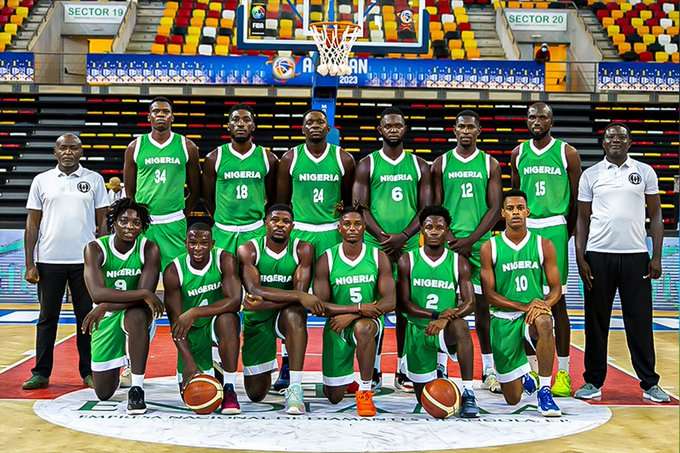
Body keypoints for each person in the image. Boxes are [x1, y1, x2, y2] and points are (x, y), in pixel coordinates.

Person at [574, 123, 670, 403]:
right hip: (598, 255)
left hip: (636, 257)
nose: (615, 140)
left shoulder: (645, 172)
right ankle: (593, 382)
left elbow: (656, 216)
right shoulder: (591, 175)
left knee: (640, 321)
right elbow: (582, 219)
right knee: (595, 322)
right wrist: (580, 257)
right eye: (610, 137)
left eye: (621, 137)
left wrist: (656, 256)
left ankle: (650, 383)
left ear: (630, 143)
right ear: (603, 143)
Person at [352, 106, 431, 392]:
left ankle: (403, 368)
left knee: (406, 308)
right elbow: (360, 208)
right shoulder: (367, 164)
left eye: (398, 125)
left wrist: (404, 236)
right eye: (388, 125)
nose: (393, 129)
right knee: (374, 308)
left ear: (405, 129)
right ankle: (372, 369)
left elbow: (425, 209)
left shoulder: (419, 165)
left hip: (408, 245)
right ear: (380, 130)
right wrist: (385, 238)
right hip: (376, 245)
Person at [23, 133, 109, 390]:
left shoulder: (94, 179)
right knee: (47, 318)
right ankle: (41, 373)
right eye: (63, 148)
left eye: (73, 148)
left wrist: (104, 257)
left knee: (86, 318)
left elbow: (103, 221)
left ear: (81, 152)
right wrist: (30, 263)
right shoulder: (42, 180)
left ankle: (89, 371)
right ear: (55, 152)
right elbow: (32, 223)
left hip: (85, 262)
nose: (68, 152)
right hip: (49, 260)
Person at [510, 102, 582, 397]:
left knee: (557, 303)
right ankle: (530, 370)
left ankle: (562, 373)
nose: (536, 121)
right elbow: (515, 197)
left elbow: (577, 199)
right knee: (526, 300)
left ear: (551, 121)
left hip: (554, 226)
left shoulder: (567, 152)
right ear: (526, 120)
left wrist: (567, 231)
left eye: (542, 117)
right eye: (532, 117)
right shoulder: (518, 153)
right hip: (526, 229)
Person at [432, 109, 503, 393]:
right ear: (454, 130)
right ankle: (440, 366)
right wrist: (450, 239)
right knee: (445, 305)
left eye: (471, 127)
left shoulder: (489, 163)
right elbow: (436, 207)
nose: (465, 131)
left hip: (480, 244)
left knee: (483, 307)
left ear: (478, 131)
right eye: (461, 126)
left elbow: (495, 208)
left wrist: (471, 240)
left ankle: (489, 369)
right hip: (448, 244)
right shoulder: (441, 163)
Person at [480, 189, 563, 417]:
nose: (515, 212)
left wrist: (543, 305)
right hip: (503, 319)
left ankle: (544, 390)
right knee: (513, 398)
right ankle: (525, 374)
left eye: (519, 208)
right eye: (510, 208)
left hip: (531, 317)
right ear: (503, 214)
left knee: (545, 322)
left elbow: (556, 289)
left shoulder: (543, 244)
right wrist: (524, 306)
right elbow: (490, 295)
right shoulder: (490, 247)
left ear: (527, 212)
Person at [237, 204, 323, 414]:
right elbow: (254, 289)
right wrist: (298, 296)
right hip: (258, 319)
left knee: (295, 315)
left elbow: (297, 296)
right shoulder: (248, 250)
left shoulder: (303, 249)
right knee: (256, 394)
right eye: (275, 220)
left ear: (292, 226)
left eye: (285, 221)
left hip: (284, 315)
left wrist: (266, 302)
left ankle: (295, 387)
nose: (280, 225)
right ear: (265, 223)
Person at [81, 198, 163, 414]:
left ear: (142, 227)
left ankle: (137, 388)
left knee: (136, 316)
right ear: (114, 222)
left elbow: (143, 300)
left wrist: (105, 304)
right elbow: (97, 293)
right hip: (106, 316)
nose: (129, 226)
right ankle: (120, 359)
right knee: (103, 392)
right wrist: (143, 293)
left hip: (135, 312)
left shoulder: (149, 248)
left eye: (136, 223)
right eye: (124, 221)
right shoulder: (95, 249)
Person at [397, 206, 479, 418]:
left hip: (445, 329)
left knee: (461, 326)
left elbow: (470, 303)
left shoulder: (458, 262)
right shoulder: (408, 260)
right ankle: (434, 371)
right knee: (426, 399)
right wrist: (435, 316)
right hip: (419, 331)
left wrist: (446, 319)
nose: (434, 231)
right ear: (421, 230)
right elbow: (404, 304)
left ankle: (468, 391)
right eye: (429, 227)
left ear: (447, 230)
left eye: (439, 227)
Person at [313, 207, 395, 417]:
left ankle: (365, 390)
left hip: (367, 321)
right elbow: (320, 305)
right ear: (339, 228)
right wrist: (358, 308)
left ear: (364, 228)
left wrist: (354, 314)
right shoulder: (327, 259)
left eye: (357, 224)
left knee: (363, 328)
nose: (352, 228)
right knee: (334, 396)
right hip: (337, 324)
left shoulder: (377, 256)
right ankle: (345, 378)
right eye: (347, 224)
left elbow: (390, 301)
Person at [163, 222, 243, 414]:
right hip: (191, 332)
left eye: (203, 243)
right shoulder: (174, 271)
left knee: (228, 319)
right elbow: (176, 325)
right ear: (185, 243)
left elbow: (234, 301)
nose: (198, 248)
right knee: (197, 399)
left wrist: (195, 311)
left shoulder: (225, 260)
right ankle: (213, 367)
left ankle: (230, 388)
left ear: (212, 244)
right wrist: (189, 362)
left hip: (217, 324)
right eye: (193, 243)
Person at [123, 97, 201, 270]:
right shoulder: (135, 147)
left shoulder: (187, 146)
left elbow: (196, 190)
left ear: (172, 117)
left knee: (175, 273)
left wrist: (181, 213)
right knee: (141, 272)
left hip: (174, 222)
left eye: (165, 111)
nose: (160, 114)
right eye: (156, 111)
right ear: (148, 117)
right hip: (144, 223)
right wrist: (139, 216)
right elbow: (129, 191)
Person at [276, 109, 355, 258]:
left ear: (328, 128)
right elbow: (282, 202)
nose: (315, 126)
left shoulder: (344, 159)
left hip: (332, 230)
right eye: (310, 122)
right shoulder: (290, 158)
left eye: (320, 122)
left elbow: (348, 201)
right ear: (303, 129)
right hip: (299, 230)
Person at [202, 104, 278, 255]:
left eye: (246, 120)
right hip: (223, 231)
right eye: (235, 119)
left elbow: (273, 198)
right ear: (228, 126)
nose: (241, 124)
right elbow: (207, 197)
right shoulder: (214, 157)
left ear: (253, 126)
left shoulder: (268, 158)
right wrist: (222, 217)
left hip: (255, 230)